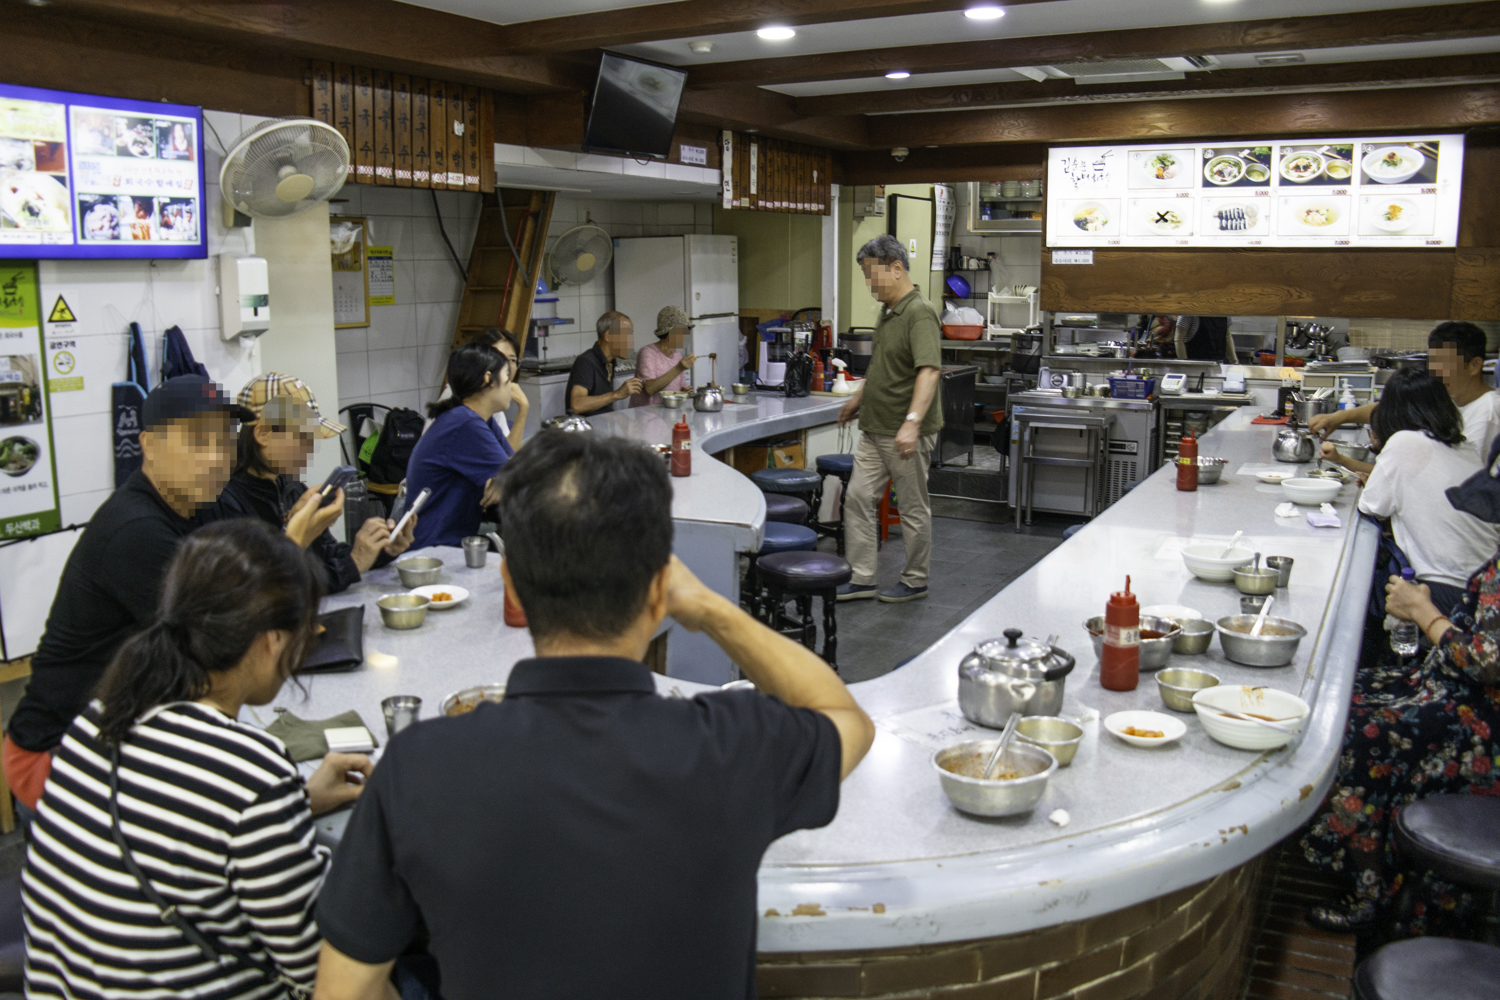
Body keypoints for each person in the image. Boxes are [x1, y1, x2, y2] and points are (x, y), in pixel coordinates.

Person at [311, 431, 875, 1000]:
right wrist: (709, 608)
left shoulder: (418, 767)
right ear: (660, 592)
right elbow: (844, 716)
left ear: (513, 587)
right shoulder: (733, 744)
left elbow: (342, 992)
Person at [20, 519, 373, 999]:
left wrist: (299, 803)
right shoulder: (252, 772)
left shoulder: (98, 720)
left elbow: (179, 825)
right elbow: (329, 981)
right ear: (272, 640)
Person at [3, 376, 342, 811]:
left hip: (138, 719)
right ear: (149, 445)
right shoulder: (136, 530)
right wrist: (294, 543)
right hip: (61, 747)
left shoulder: (197, 505)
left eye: (223, 443)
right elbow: (228, 639)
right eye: (197, 443)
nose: (216, 458)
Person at [1302, 523, 1500, 935]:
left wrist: (1422, 612)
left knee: (1356, 732)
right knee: (1332, 698)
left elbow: (1486, 661)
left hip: (1480, 722)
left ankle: (1371, 890)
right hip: (1448, 686)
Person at [204, 372, 416, 593]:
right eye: (302, 437)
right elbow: (259, 590)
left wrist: (380, 548)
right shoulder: (224, 501)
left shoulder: (291, 488)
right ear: (263, 433)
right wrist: (353, 563)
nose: (309, 448)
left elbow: (326, 555)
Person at [1332, 369, 1498, 615]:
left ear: (1390, 412)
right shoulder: (1465, 447)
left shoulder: (1404, 441)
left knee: (1356, 590)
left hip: (1448, 589)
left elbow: (1371, 506)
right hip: (1487, 588)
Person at [835, 234, 943, 604]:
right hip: (874, 427)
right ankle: (862, 577)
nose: (869, 285)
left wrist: (912, 423)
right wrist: (857, 399)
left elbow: (929, 370)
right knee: (858, 497)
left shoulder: (919, 312)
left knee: (913, 506)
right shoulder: (888, 312)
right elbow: (882, 368)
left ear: (896, 268)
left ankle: (916, 579)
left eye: (872, 275)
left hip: (902, 431)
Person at [1312, 321, 1499, 459]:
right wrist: (1338, 417)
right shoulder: (1450, 394)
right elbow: (1396, 408)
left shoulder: (1489, 412)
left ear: (1474, 366)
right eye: (1433, 363)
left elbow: (1463, 477)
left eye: (1445, 364)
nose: (1436, 372)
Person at [405, 340, 517, 549]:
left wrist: (505, 477)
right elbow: (523, 476)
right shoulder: (464, 423)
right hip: (434, 547)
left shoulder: (478, 419)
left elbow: (514, 465)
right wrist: (507, 476)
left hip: (452, 541)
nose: (512, 386)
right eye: (508, 378)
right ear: (488, 379)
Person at [566, 310, 643, 415]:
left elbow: (603, 409)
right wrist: (617, 394)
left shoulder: (610, 362)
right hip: (586, 429)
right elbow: (577, 405)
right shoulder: (586, 362)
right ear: (608, 336)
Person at [630, 305, 698, 407]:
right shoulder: (648, 353)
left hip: (669, 414)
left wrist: (684, 392)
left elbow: (680, 387)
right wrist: (679, 368)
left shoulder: (677, 356)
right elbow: (649, 389)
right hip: (647, 416)